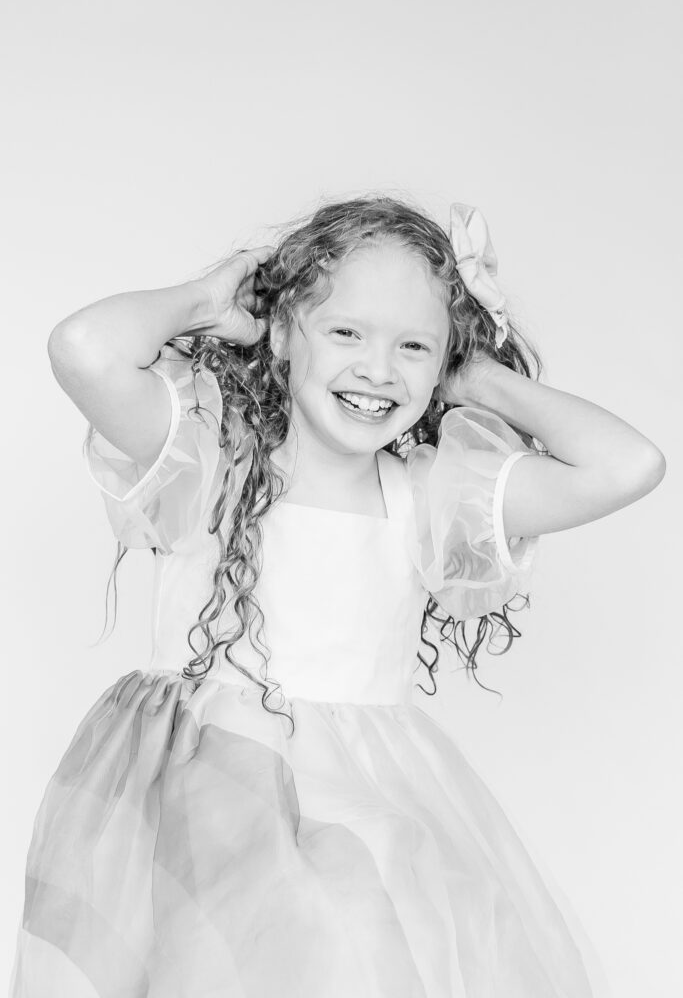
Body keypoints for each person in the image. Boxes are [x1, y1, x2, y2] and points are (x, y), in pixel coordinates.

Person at [11, 196, 665, 997]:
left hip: (352, 798)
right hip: (193, 792)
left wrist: (481, 380)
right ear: (284, 334)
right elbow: (82, 348)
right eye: (346, 332)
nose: (379, 369)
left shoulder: (426, 496)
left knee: (349, 939)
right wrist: (206, 302)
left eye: (414, 346)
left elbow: (625, 466)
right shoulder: (210, 457)